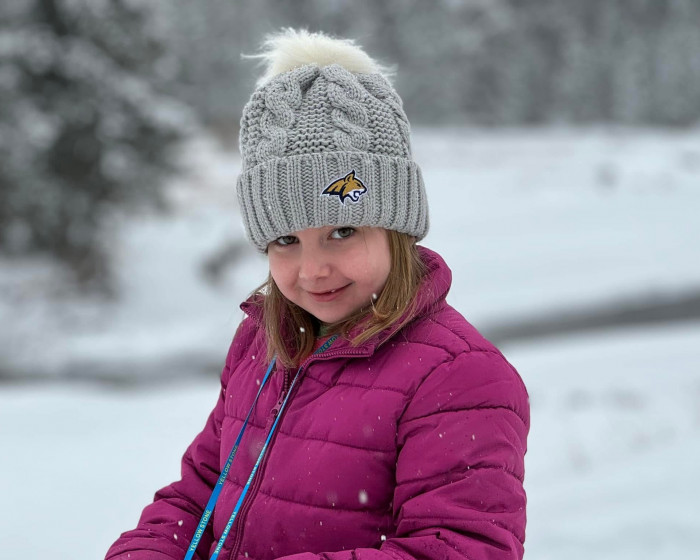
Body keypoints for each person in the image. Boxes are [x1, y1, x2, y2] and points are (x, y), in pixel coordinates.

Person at [105, 29, 530, 560]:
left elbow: (460, 549)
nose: (313, 271)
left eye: (342, 231)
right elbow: (200, 494)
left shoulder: (459, 376)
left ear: (394, 227)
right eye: (286, 240)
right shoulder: (262, 344)